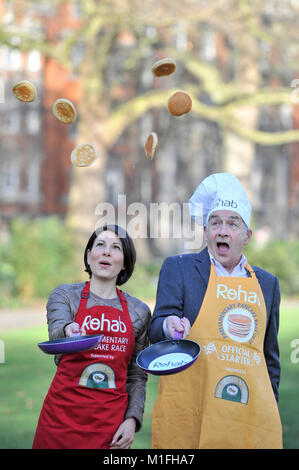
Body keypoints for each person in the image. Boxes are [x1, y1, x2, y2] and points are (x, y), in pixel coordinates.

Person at [149, 172, 282, 449]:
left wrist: (270, 408)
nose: (223, 230)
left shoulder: (268, 284)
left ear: (247, 236)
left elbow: (269, 359)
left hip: (247, 415)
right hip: (190, 408)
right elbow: (155, 329)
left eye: (232, 224)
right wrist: (168, 324)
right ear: (206, 230)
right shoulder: (180, 268)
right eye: (215, 222)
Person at [33, 224, 151, 449]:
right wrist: (69, 330)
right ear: (88, 256)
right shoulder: (66, 295)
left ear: (124, 261)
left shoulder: (139, 312)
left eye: (116, 247)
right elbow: (57, 331)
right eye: (100, 245)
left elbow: (137, 375)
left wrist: (132, 419)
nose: (107, 252)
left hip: (110, 427)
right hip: (60, 421)